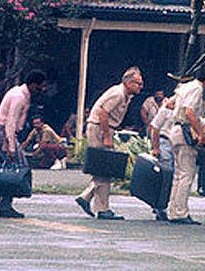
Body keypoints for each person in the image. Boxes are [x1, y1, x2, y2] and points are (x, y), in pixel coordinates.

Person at [75, 67, 144, 220]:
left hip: (104, 128)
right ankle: (102, 208)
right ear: (128, 82)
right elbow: (103, 113)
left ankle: (86, 197)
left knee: (104, 168)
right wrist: (107, 136)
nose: (141, 87)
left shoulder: (125, 95)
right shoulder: (118, 94)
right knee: (103, 168)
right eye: (138, 84)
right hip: (99, 127)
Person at [0, 70, 47, 218]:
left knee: (11, 167)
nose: (42, 89)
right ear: (33, 85)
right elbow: (10, 122)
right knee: (19, 166)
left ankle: (3, 199)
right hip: (3, 132)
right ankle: (5, 204)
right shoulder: (19, 97)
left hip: (3, 132)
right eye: (41, 86)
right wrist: (11, 147)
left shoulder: (21, 94)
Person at [165, 64, 205, 224]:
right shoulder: (197, 89)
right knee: (187, 174)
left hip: (175, 129)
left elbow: (169, 104)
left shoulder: (185, 86)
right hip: (184, 132)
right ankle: (180, 212)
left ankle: (172, 210)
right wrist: (201, 132)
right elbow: (189, 112)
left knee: (178, 175)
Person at [148, 95, 176, 221]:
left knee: (174, 177)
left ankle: (167, 206)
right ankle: (160, 206)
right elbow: (155, 128)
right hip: (164, 142)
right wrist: (156, 147)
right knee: (166, 175)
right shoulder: (165, 110)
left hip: (176, 144)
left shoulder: (182, 112)